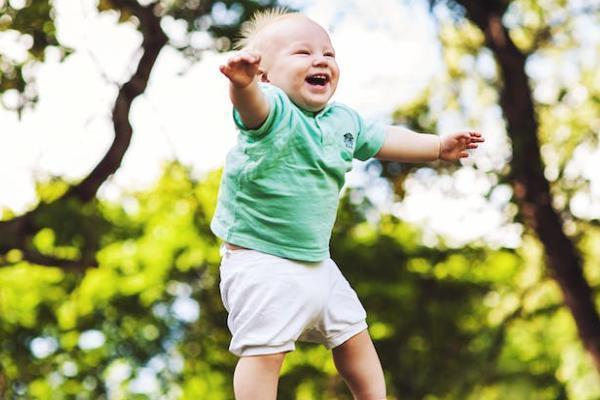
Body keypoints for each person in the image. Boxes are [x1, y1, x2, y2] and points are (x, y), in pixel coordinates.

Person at [211, 9, 484, 400]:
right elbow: (251, 107)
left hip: (318, 264)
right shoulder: (273, 111)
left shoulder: (343, 121)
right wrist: (241, 86)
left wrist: (438, 147)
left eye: (329, 53)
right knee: (264, 353)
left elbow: (386, 138)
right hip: (262, 263)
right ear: (265, 76)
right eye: (302, 53)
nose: (320, 59)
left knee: (355, 335)